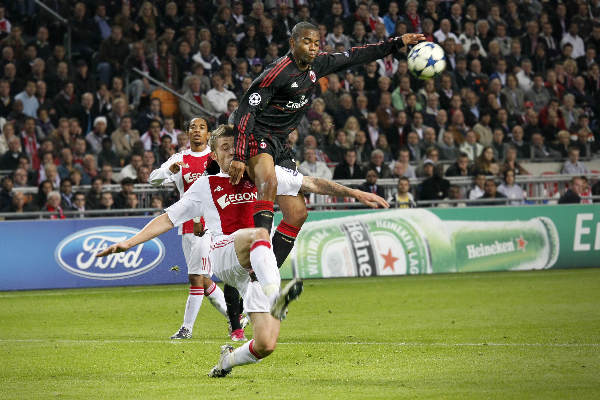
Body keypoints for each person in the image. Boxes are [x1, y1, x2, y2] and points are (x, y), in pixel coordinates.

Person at [97, 125, 387, 378]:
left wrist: (358, 194)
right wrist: (129, 243)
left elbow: (312, 183)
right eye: (224, 148)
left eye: (236, 148)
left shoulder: (263, 175)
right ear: (214, 155)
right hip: (224, 251)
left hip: (251, 268)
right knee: (261, 232)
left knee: (265, 344)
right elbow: (168, 218)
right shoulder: (206, 185)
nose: (232, 153)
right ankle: (277, 295)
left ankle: (227, 361)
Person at [228, 21, 424, 237]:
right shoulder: (277, 73)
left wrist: (396, 43)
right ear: (292, 43)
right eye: (307, 42)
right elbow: (246, 111)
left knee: (297, 214)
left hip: (282, 143)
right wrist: (239, 154)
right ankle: (259, 251)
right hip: (258, 135)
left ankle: (265, 268)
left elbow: (355, 55)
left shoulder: (318, 64)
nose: (313, 47)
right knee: (269, 181)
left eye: (316, 43)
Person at [149, 117, 238, 341]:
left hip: (208, 226)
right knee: (204, 279)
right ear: (187, 133)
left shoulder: (215, 158)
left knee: (196, 277)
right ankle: (236, 317)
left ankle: (187, 328)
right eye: (192, 128)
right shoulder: (180, 158)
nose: (197, 131)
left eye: (202, 128)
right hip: (186, 226)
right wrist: (169, 170)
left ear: (208, 134)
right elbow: (153, 180)